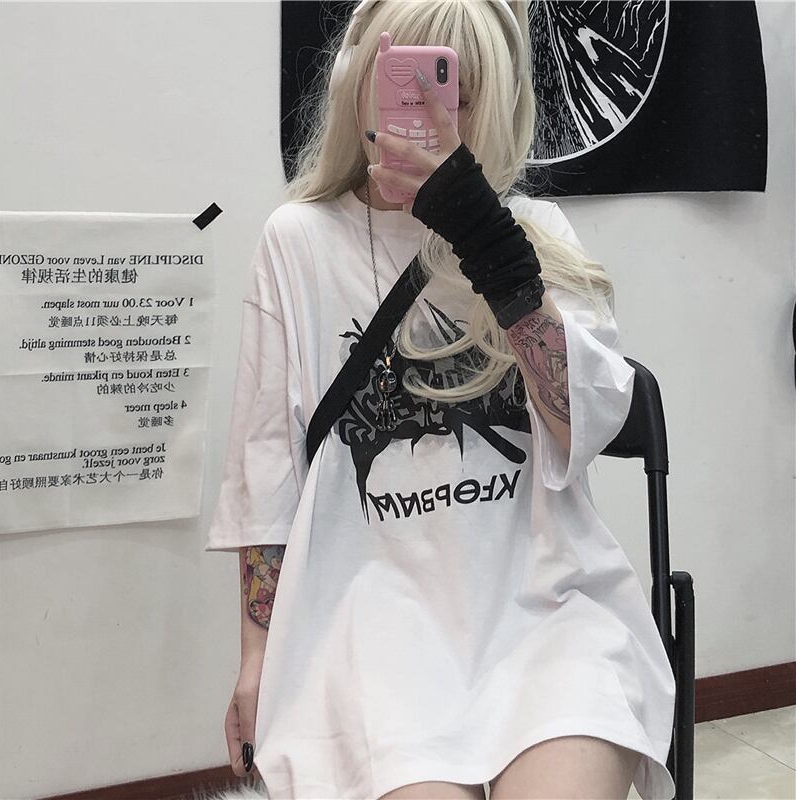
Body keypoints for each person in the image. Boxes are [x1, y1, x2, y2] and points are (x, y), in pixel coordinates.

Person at [203, 2, 677, 799]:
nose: (425, 110)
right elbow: (268, 466)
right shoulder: (298, 240)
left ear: (487, 101)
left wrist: (483, 235)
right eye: (405, 80)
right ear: (360, 79)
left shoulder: (535, 231)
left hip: (547, 613)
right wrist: (255, 658)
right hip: (369, 625)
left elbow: (582, 425)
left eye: (452, 85)